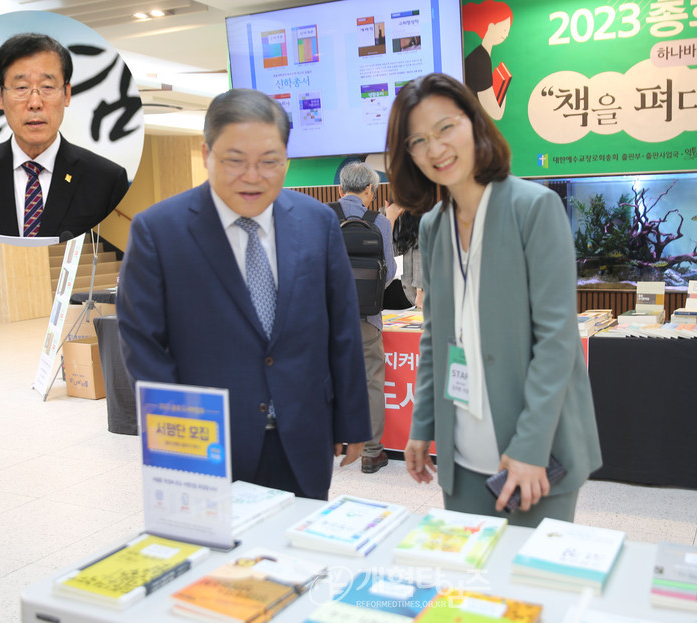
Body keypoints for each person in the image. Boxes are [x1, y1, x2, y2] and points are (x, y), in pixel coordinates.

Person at [117, 88, 371, 500]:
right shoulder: (158, 231)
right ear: (207, 154)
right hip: (209, 446)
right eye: (235, 160)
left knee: (296, 556)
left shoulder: (317, 223)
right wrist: (179, 443)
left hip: (303, 434)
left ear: (286, 161)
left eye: (269, 162)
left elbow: (341, 327)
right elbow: (142, 345)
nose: (253, 176)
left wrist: (352, 420)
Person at [385, 73, 602, 527]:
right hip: (462, 449)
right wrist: (423, 425)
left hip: (534, 452)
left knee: (530, 592)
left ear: (475, 124)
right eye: (418, 140)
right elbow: (434, 338)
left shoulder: (533, 208)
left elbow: (558, 340)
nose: (436, 148)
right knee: (469, 587)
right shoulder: (433, 226)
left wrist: (529, 446)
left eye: (446, 128)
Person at [0, 33, 128, 240]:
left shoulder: (106, 179)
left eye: (47, 87)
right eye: (21, 88)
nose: (35, 103)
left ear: (66, 94)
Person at [332, 161, 397, 474]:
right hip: (367, 319)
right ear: (370, 189)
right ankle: (372, 453)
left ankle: (333, 443)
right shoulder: (379, 221)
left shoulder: (324, 216)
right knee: (372, 381)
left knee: (329, 378)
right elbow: (390, 272)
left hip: (329, 319)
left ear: (340, 188)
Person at [462, 0, 512, 121]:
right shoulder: (480, 61)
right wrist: (503, 89)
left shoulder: (480, 55)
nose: (506, 35)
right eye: (504, 29)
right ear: (491, 26)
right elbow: (496, 113)